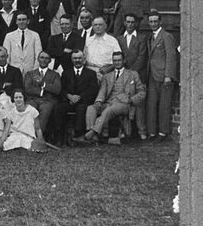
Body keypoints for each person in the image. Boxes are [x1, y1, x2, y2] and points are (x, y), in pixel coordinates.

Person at [75, 51, 146, 145]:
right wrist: (98, 101)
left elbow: (142, 92)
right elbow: (102, 91)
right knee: (91, 108)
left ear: (124, 61)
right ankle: (94, 137)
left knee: (109, 110)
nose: (117, 63)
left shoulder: (133, 74)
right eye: (115, 60)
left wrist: (131, 100)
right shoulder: (107, 76)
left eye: (119, 60)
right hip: (109, 102)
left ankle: (91, 133)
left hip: (124, 104)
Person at [143, 11, 179, 142]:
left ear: (160, 22)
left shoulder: (166, 36)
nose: (153, 24)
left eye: (155, 21)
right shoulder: (149, 37)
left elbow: (171, 56)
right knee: (151, 105)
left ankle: (163, 133)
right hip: (152, 75)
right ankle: (152, 133)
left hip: (164, 76)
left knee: (164, 105)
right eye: (150, 21)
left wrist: (168, 75)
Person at [61, 50, 101, 144]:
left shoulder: (91, 73)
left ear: (84, 59)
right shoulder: (66, 73)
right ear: (72, 60)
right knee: (59, 108)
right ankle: (59, 136)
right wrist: (69, 96)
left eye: (79, 58)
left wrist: (78, 97)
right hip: (69, 100)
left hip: (83, 101)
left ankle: (77, 135)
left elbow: (93, 90)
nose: (77, 60)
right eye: (75, 58)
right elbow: (62, 88)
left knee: (81, 108)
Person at [22, 51, 62, 136]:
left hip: (48, 101)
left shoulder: (55, 75)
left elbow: (57, 89)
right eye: (42, 57)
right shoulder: (30, 74)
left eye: (47, 58)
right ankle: (26, 135)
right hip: (33, 100)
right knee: (30, 109)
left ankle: (37, 136)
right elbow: (28, 88)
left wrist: (43, 83)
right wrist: (42, 91)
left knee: (46, 110)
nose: (44, 60)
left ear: (50, 61)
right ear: (38, 59)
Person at [116, 13, 149, 83]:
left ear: (136, 23)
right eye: (128, 22)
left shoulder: (142, 38)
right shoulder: (119, 39)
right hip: (122, 74)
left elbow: (141, 57)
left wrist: (131, 73)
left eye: (132, 22)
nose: (130, 24)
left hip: (138, 74)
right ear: (124, 23)